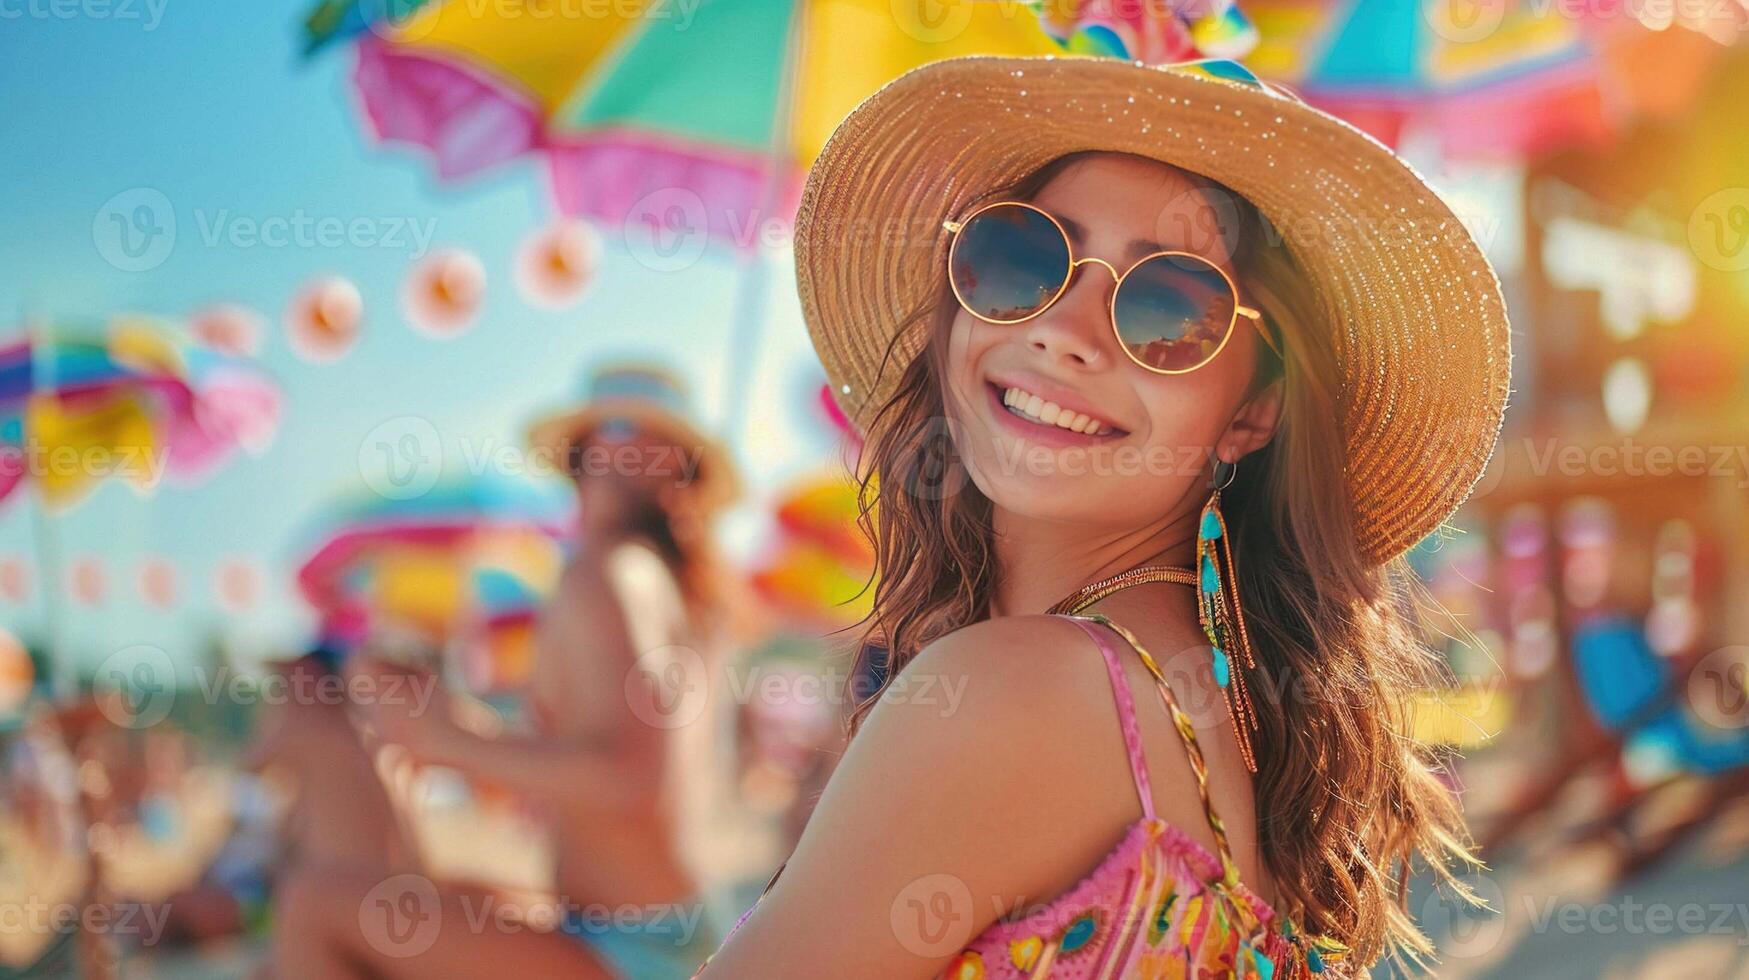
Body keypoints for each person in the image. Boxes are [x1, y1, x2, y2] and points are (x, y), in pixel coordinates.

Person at [695, 56, 1511, 978]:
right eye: (1023, 258)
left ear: (1252, 412)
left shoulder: (1016, 690)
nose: (1062, 332)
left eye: (1169, 305)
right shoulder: (1218, 711)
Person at [274, 364, 740, 979]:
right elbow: (609, 770)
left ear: (680, 468)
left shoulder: (608, 572)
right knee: (453, 893)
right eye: (597, 432)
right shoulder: (662, 583)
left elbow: (634, 780)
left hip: (634, 954)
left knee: (315, 906)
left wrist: (448, 744)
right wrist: (462, 731)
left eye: (634, 428)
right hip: (663, 934)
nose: (610, 443)